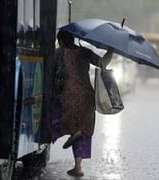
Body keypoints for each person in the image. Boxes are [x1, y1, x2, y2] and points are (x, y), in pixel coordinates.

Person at [50, 30, 113, 177]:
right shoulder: (83, 52)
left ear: (62, 41)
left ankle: (43, 144)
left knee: (56, 122)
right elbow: (102, 63)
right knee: (81, 129)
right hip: (86, 96)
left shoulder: (58, 53)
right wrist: (111, 50)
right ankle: (78, 167)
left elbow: (49, 72)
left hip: (67, 96)